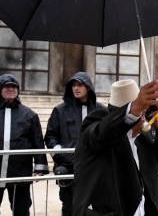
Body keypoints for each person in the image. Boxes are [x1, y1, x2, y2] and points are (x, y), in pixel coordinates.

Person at [72, 79, 158, 216]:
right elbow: (102, 133)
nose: (145, 118)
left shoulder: (141, 139)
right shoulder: (97, 125)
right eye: (142, 113)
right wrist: (134, 108)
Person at [45, 72, 106, 216]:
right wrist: (60, 153)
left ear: (88, 87)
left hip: (96, 169)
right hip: (69, 168)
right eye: (73, 85)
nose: (76, 88)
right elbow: (50, 136)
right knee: (70, 208)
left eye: (80, 85)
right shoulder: (60, 111)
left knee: (100, 208)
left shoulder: (101, 110)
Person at [0, 74, 49, 216]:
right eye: (6, 86)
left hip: (19, 172)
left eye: (13, 87)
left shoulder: (29, 115)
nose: (10, 89)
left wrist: (40, 166)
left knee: (20, 210)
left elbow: (37, 142)